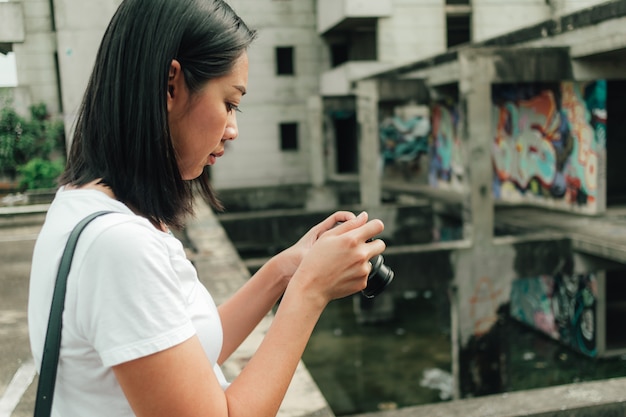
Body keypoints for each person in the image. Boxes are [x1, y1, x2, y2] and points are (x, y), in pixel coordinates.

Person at [27, 0, 386, 416]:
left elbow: (186, 353)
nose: (233, 130)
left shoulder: (86, 205)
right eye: (230, 103)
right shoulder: (120, 246)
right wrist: (310, 291)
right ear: (170, 85)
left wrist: (286, 270)